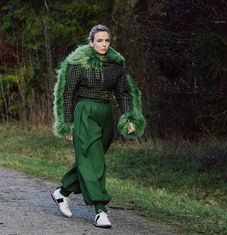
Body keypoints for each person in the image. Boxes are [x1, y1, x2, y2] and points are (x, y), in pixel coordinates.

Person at [51, 24, 146, 228]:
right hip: (84, 113)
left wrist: (129, 117)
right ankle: (100, 209)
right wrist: (67, 123)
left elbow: (124, 94)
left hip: (106, 115)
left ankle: (63, 192)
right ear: (91, 42)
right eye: (100, 40)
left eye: (107, 40)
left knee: (93, 160)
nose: (104, 44)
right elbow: (67, 93)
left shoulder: (116, 66)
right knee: (95, 162)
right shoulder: (78, 63)